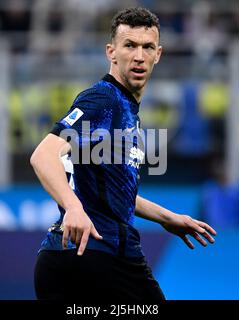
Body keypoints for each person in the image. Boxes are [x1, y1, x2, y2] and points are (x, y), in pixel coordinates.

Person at [30, 7, 217, 301]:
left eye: (147, 47)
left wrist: (167, 218)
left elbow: (114, 190)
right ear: (111, 52)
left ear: (159, 54)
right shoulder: (104, 99)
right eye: (129, 45)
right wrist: (73, 208)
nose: (139, 56)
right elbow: (43, 155)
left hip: (71, 257)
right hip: (95, 256)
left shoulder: (128, 111)